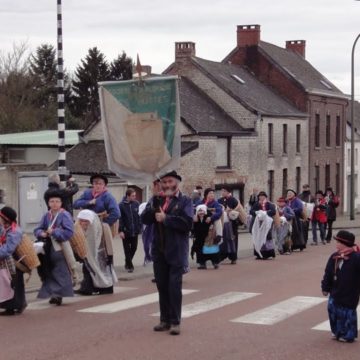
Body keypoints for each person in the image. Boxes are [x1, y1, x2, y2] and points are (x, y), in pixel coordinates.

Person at [141, 171, 193, 336]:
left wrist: (167, 219)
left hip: (176, 250)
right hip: (159, 249)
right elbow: (145, 219)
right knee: (162, 285)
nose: (166, 185)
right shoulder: (157, 199)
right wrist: (155, 200)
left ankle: (175, 321)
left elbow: (188, 223)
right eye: (163, 182)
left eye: (169, 181)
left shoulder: (185, 201)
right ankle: (164, 319)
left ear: (176, 182)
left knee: (174, 286)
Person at [34, 192, 74, 306]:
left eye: (57, 201)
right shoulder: (46, 215)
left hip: (59, 247)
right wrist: (41, 233)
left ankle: (58, 295)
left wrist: (55, 232)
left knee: (60, 271)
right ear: (48, 203)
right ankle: (53, 293)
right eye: (52, 201)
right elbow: (37, 229)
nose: (54, 204)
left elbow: (69, 232)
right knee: (48, 270)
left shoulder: (65, 215)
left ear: (61, 203)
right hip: (47, 247)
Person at [321, 230, 360, 343]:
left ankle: (348, 334)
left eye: (338, 242)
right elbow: (328, 273)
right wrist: (325, 287)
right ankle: (336, 331)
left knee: (347, 313)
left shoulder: (356, 258)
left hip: (350, 292)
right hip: (335, 290)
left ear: (344, 243)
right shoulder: (334, 257)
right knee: (332, 309)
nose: (336, 244)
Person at [75, 209, 117, 295]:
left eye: (86, 221)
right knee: (88, 270)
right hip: (88, 256)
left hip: (102, 255)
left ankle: (105, 288)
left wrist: (110, 255)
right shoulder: (82, 230)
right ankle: (88, 288)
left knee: (103, 272)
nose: (83, 223)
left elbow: (108, 243)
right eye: (81, 220)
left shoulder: (103, 227)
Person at [0, 206, 27, 315]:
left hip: (16, 261)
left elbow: (8, 249)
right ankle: (17, 305)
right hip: (8, 261)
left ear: (5, 219)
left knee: (12, 283)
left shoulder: (14, 231)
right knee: (11, 283)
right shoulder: (5, 228)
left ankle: (13, 306)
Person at [119, 188, 141, 273]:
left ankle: (127, 261)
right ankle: (130, 266)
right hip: (125, 231)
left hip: (134, 230)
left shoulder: (136, 204)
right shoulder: (121, 205)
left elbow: (139, 216)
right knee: (127, 249)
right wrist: (121, 230)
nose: (135, 197)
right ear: (127, 196)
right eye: (133, 196)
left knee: (134, 247)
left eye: (135, 195)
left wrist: (139, 227)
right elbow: (120, 219)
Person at [191, 204, 220, 269]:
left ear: (205, 211)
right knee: (200, 251)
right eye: (199, 211)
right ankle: (202, 263)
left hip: (209, 237)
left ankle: (215, 263)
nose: (201, 212)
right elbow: (193, 228)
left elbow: (216, 224)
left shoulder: (209, 217)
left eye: (202, 211)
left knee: (212, 251)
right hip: (199, 238)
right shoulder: (195, 218)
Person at [250, 191, 276, 259]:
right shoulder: (256, 204)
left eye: (262, 196)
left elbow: (273, 211)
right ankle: (258, 254)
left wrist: (265, 213)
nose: (261, 197)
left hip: (267, 224)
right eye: (260, 196)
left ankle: (268, 254)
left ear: (265, 197)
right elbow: (251, 211)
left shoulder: (269, 204)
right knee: (258, 237)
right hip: (258, 223)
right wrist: (257, 213)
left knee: (267, 237)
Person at [218, 186, 240, 264]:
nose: (222, 192)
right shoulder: (219, 200)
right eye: (222, 191)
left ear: (228, 192)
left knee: (232, 240)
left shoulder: (234, 200)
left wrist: (230, 211)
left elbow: (238, 210)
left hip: (232, 223)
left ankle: (233, 257)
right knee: (222, 240)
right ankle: (221, 256)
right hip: (223, 223)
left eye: (224, 191)